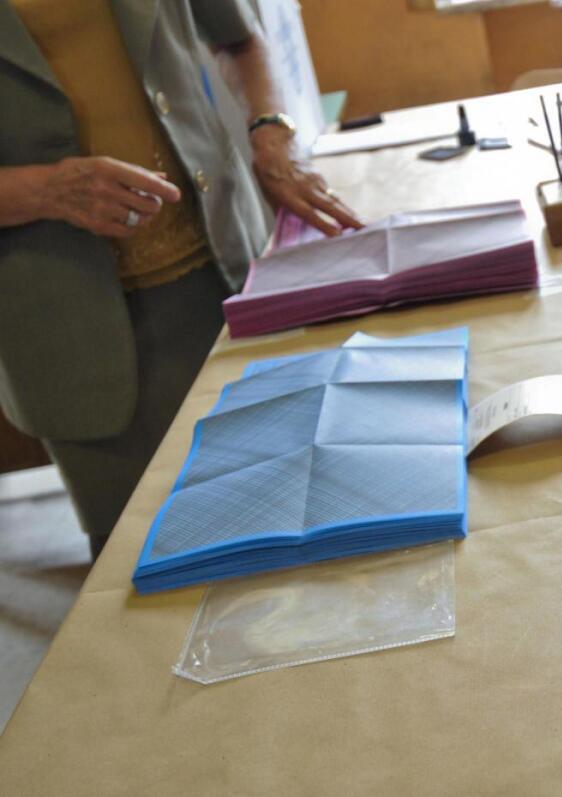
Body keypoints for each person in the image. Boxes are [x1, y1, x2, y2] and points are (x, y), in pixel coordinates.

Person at [0, 0, 363, 557]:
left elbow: (241, 37)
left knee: (314, 510)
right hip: (69, 329)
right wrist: (45, 191)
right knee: (152, 558)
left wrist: (271, 132)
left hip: (227, 277)